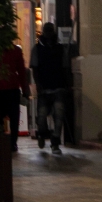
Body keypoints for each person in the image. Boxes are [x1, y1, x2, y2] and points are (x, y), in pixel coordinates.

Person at [30, 23, 68, 154]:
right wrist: (38, 84)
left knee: (59, 115)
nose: (48, 33)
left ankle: (55, 142)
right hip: (45, 87)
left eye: (50, 31)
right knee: (41, 116)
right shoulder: (37, 49)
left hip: (57, 86)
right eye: (47, 31)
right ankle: (42, 134)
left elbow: (64, 67)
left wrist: (65, 84)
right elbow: (34, 68)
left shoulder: (60, 48)